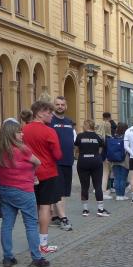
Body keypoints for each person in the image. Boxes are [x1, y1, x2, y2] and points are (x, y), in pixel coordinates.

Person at [0, 118, 48, 267]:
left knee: (7, 224)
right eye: (19, 132)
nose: (22, 134)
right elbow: (38, 162)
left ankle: (8, 258)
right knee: (31, 224)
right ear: (11, 134)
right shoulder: (22, 149)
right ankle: (37, 259)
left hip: (5, 190)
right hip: (24, 190)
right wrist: (31, 174)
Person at [22, 100, 62, 255]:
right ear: (39, 113)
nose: (52, 115)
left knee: (33, 208)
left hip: (29, 173)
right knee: (45, 208)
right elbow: (57, 155)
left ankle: (33, 242)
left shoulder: (23, 130)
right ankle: (43, 244)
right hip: (47, 173)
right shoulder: (49, 131)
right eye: (49, 112)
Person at [50, 96, 76, 231]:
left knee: (65, 192)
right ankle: (63, 218)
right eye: (57, 104)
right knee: (59, 191)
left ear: (66, 106)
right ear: (53, 106)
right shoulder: (50, 121)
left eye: (62, 104)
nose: (60, 106)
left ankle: (55, 216)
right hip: (55, 162)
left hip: (68, 161)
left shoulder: (69, 122)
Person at [75, 120, 109, 217]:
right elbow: (100, 150)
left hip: (83, 162)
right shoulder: (98, 137)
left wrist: (81, 155)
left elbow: (76, 149)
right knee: (97, 185)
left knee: (84, 186)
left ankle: (85, 210)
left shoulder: (80, 136)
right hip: (96, 161)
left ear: (85, 126)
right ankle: (100, 209)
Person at [110, 122, 130, 200]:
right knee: (123, 178)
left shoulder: (113, 136)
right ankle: (121, 195)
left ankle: (118, 195)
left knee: (117, 178)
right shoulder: (126, 137)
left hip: (114, 159)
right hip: (124, 160)